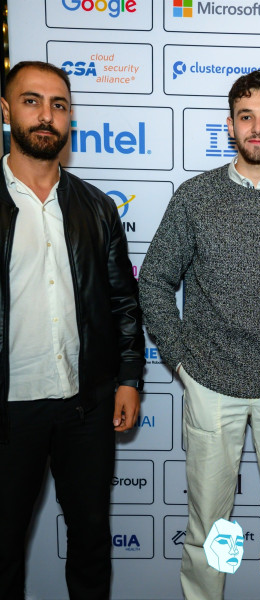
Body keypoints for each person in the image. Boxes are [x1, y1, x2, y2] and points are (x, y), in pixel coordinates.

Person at [138, 69, 260, 600]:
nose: (257, 127)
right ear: (230, 126)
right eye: (246, 117)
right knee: (210, 525)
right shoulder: (195, 197)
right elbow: (154, 280)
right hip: (210, 382)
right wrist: (181, 361)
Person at [0, 61, 145, 600]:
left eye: (59, 105)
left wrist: (129, 378)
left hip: (85, 407)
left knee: (90, 544)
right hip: (8, 412)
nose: (47, 115)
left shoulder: (96, 207)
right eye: (32, 101)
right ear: (6, 110)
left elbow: (123, 302)